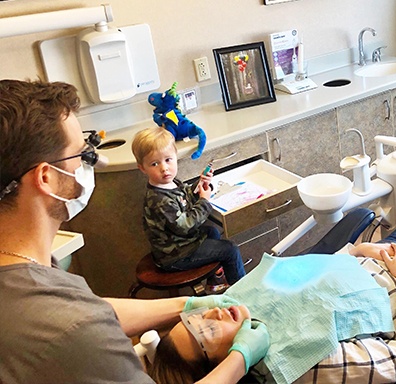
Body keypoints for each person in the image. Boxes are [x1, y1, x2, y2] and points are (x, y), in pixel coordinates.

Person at [0, 79, 268, 383]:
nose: (92, 165)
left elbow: (95, 311)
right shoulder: (73, 330)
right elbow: (81, 322)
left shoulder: (25, 274)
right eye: (83, 156)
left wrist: (190, 303)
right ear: (46, 177)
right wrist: (240, 358)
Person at [147, 180, 396, 384]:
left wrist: (362, 252)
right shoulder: (300, 362)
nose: (212, 316)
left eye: (196, 318)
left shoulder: (251, 299)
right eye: (205, 335)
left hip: (393, 250)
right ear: (221, 364)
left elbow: (319, 273)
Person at [131, 127, 246, 285]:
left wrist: (200, 185)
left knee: (212, 231)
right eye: (154, 164)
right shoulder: (159, 200)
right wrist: (204, 202)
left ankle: (214, 281)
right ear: (142, 168)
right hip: (175, 256)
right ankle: (242, 294)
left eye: (168, 160)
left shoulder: (171, 183)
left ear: (175, 157)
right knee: (230, 249)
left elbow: (185, 196)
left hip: (181, 243)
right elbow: (185, 226)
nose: (164, 168)